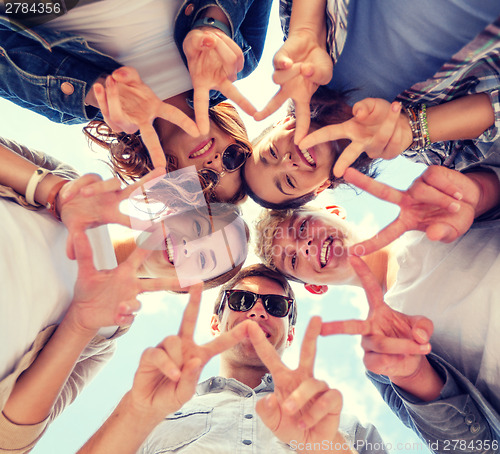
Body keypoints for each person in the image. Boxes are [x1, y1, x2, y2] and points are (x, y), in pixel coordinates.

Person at [0, 136, 249, 451]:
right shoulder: (75, 187)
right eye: (198, 229)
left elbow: (9, 441)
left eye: (203, 259)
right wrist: (56, 193)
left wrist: (80, 324)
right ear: (175, 213)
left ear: (184, 286)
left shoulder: (102, 338)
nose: (189, 245)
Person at [254, 166, 500, 450]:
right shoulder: (382, 362)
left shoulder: (427, 215)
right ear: (314, 287)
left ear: (334, 211)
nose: (306, 246)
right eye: (293, 260)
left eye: (302, 228)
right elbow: (474, 447)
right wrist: (413, 376)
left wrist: (482, 192)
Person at [76, 264, 387, 453]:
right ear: (216, 322)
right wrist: (137, 410)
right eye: (241, 300)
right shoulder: (153, 411)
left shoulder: (347, 429)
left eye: (276, 306)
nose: (257, 311)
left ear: (290, 334)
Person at [0, 0, 268, 201]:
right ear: (237, 137)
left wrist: (95, 87)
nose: (216, 163)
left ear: (174, 182)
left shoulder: (72, 108)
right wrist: (215, 24)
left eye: (206, 180)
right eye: (233, 159)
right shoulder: (242, 56)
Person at [242, 0, 500, 208]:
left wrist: (306, 28)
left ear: (282, 123)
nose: (287, 161)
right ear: (321, 188)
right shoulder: (434, 151)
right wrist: (412, 128)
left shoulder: (299, 39)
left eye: (272, 153)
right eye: (288, 181)